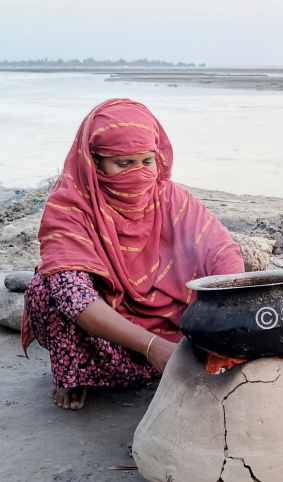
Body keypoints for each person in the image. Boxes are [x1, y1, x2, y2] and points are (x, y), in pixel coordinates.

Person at [22, 99, 245, 410]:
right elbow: (75, 297)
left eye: (146, 161)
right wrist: (151, 347)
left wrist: (234, 309)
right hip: (107, 342)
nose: (138, 174)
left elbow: (221, 249)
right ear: (94, 163)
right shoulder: (70, 208)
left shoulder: (171, 199)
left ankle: (171, 360)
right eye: (123, 164)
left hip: (173, 335)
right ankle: (75, 375)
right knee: (46, 290)